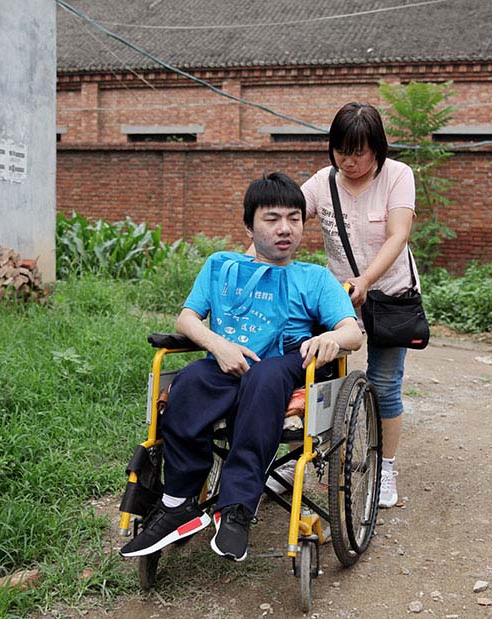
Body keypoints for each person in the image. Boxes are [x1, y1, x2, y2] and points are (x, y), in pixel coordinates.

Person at [120, 172, 362, 562]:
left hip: (283, 365)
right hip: (226, 361)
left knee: (265, 377)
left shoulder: (314, 278)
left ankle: (235, 508)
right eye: (272, 219)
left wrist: (332, 338)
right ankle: (177, 499)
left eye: (294, 218)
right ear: (248, 224)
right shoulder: (221, 266)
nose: (285, 229)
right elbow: (187, 319)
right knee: (189, 382)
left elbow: (353, 331)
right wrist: (218, 345)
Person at [269, 102, 419, 509]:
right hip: (339, 299)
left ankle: (385, 469)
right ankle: (297, 459)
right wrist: (253, 265)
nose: (349, 161)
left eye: (359, 152)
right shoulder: (322, 182)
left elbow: (397, 236)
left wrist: (366, 281)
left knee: (385, 384)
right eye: (341, 151)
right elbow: (285, 219)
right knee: (317, 376)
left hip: (389, 293)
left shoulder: (397, 176)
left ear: (377, 149)